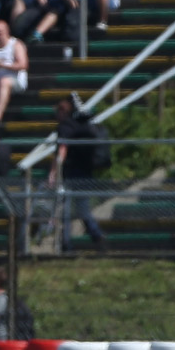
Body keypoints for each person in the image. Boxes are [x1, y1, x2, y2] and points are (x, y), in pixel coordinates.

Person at [49, 95, 108, 251]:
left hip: (70, 173)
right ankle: (97, 236)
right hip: (85, 171)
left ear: (63, 112)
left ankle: (66, 244)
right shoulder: (82, 126)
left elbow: (62, 150)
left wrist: (54, 172)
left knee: (66, 210)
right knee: (83, 208)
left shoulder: (65, 127)